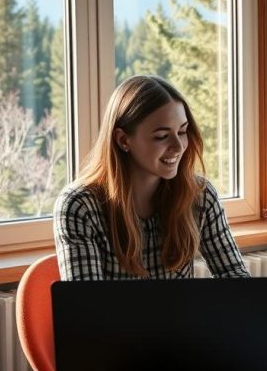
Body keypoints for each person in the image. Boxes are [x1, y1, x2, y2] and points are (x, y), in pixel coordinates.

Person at [54, 74, 249, 280]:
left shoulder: (199, 195)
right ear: (123, 140)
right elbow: (86, 307)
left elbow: (235, 277)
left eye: (182, 132)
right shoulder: (80, 206)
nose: (178, 146)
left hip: (183, 314)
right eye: (162, 136)